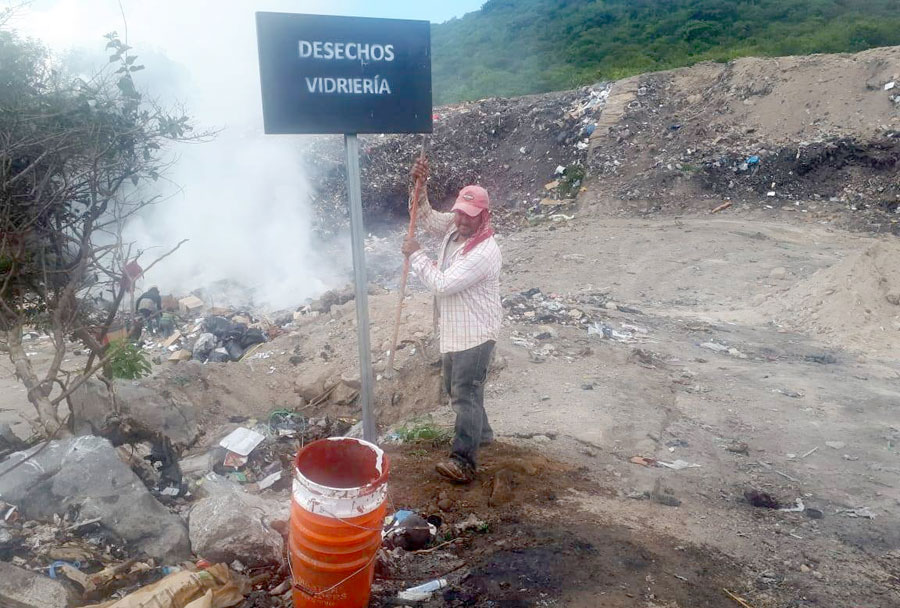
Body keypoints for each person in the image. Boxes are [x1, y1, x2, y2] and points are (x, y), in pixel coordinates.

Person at [401, 158, 502, 484]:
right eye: (459, 212)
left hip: (476, 333)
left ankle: (463, 462)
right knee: (457, 388)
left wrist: (416, 254)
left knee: (464, 394)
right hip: (455, 329)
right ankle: (482, 434)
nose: (461, 220)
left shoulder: (483, 252)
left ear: (483, 216)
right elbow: (426, 217)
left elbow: (442, 284)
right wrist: (419, 184)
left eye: (469, 216)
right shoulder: (455, 227)